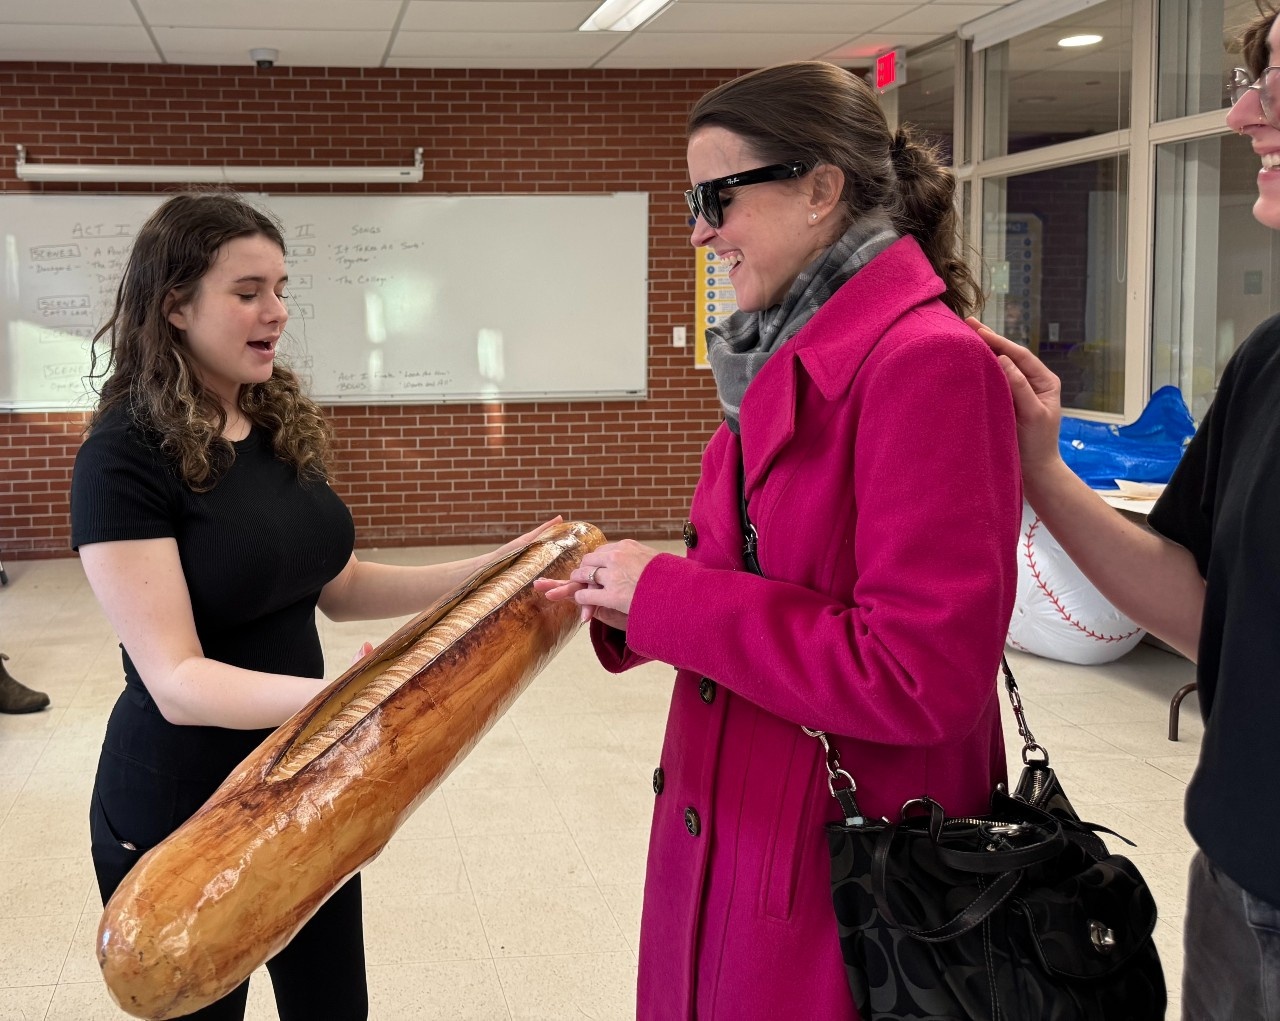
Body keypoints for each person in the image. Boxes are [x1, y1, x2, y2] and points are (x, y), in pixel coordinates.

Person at [537, 62, 1021, 1018]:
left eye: (719, 196)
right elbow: (748, 572)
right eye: (693, 199)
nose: (699, 229)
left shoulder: (927, 367)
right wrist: (623, 594)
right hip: (741, 833)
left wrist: (664, 596)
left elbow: (921, 672)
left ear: (821, 188)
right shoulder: (780, 352)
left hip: (845, 878)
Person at [70, 191, 555, 1021]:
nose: (277, 312)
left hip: (309, 783)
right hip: (183, 805)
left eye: (282, 288)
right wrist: (350, 702)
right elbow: (178, 680)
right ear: (175, 306)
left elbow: (338, 583)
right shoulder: (122, 456)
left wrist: (497, 567)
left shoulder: (268, 420)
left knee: (333, 1008)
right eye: (248, 290)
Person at [973, 7, 1280, 1017]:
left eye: (1275, 87)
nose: (1240, 114)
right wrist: (1039, 470)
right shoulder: (1267, 362)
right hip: (1241, 866)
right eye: (1249, 82)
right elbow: (1203, 609)